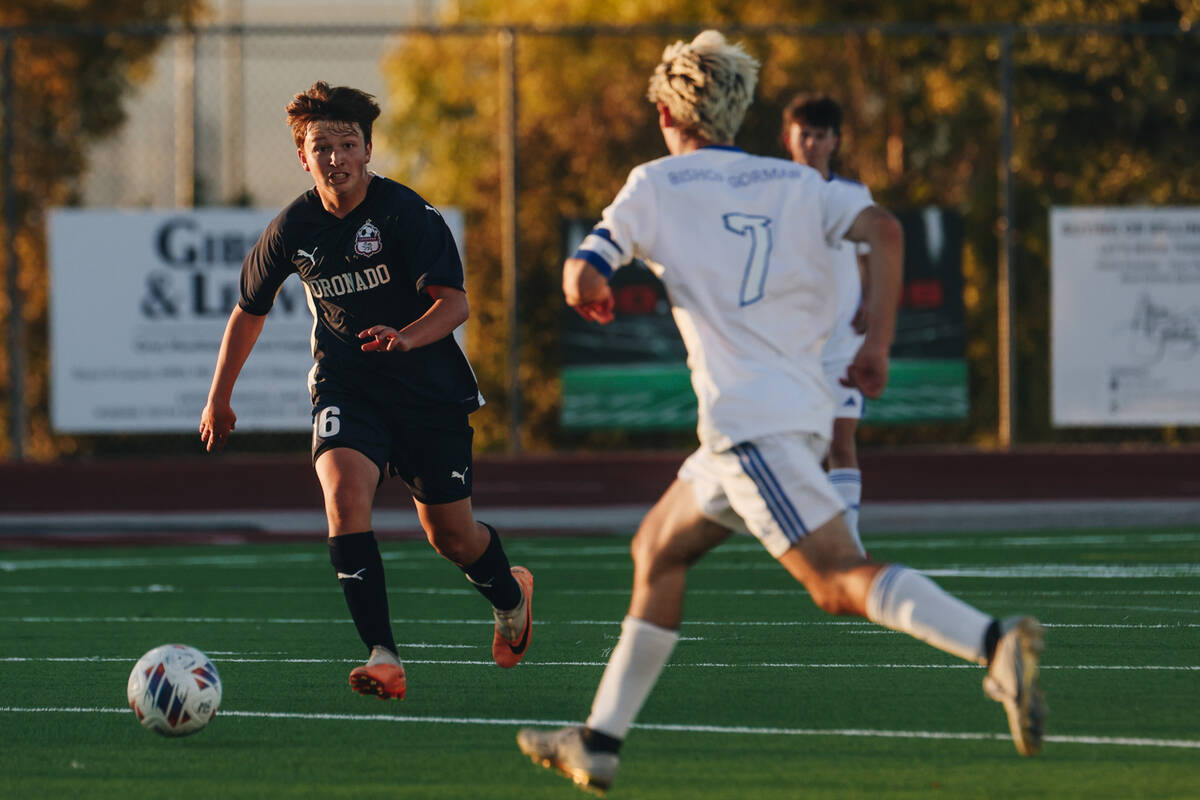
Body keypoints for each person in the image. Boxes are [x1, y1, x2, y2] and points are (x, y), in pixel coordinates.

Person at [516, 31, 1045, 794]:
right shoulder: (796, 182)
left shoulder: (656, 183)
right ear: (739, 110)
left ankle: (993, 643)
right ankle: (598, 741)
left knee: (836, 582)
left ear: (666, 109)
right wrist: (880, 346)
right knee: (657, 552)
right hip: (773, 419)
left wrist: (587, 289)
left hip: (748, 427)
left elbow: (581, 273)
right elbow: (888, 232)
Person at [199, 81, 533, 702]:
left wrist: (407, 339)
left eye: (346, 144)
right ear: (303, 157)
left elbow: (454, 304)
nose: (335, 158)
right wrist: (219, 395)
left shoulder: (407, 213)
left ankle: (511, 594)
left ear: (369, 149)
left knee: (450, 536)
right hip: (347, 385)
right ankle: (383, 656)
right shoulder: (291, 228)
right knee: (343, 495)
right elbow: (249, 310)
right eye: (320, 146)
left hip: (427, 389)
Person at [782, 93, 871, 553]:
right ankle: (802, 536)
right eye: (805, 134)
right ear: (790, 137)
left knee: (840, 439)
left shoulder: (853, 196)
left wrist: (870, 306)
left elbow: (869, 257)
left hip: (841, 343)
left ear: (835, 141)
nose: (813, 143)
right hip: (789, 343)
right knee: (792, 447)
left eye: (822, 135)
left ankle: (848, 545)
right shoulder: (773, 194)